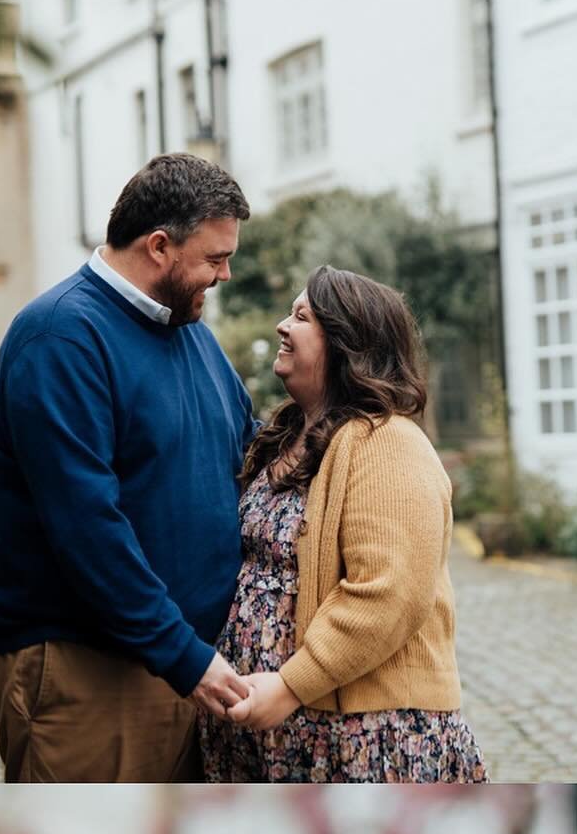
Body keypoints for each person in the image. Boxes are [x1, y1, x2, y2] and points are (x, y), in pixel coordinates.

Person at [0, 153, 255, 783]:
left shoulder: (191, 334)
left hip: (182, 664)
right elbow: (86, 529)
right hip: (89, 673)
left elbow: (248, 446)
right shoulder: (60, 338)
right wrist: (183, 655)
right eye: (215, 258)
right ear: (160, 246)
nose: (226, 274)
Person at [200, 265, 486, 784]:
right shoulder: (285, 438)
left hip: (366, 733)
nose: (283, 327)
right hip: (283, 730)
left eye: (302, 317)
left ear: (346, 344)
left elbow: (388, 594)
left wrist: (289, 686)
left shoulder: (386, 443)